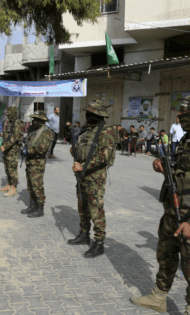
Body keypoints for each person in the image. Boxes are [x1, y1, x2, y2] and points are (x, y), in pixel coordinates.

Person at [131, 94, 190, 315]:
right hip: (173, 210)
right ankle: (158, 298)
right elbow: (185, 173)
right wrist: (164, 168)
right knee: (165, 254)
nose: (179, 115)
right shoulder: (188, 138)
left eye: (184, 112)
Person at [68, 100, 116, 258]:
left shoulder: (106, 132)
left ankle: (99, 242)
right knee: (82, 206)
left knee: (96, 209)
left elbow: (104, 156)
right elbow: (83, 149)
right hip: (82, 176)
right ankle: (84, 234)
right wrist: (75, 151)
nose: (87, 115)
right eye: (87, 113)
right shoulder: (86, 130)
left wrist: (83, 166)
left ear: (98, 115)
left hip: (95, 177)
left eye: (91, 113)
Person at [20, 110, 53, 218]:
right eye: (33, 119)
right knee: (30, 185)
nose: (33, 121)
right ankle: (32, 205)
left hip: (38, 163)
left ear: (41, 120)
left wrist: (28, 151)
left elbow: (42, 149)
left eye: (35, 119)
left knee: (37, 186)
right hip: (30, 162)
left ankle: (40, 208)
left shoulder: (46, 132)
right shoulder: (34, 131)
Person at [0, 106, 24, 196]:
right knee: (7, 167)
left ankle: (14, 188)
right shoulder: (7, 122)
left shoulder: (17, 122)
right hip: (6, 148)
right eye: (7, 113)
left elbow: (15, 137)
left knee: (12, 168)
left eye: (9, 113)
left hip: (13, 149)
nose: (7, 115)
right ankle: (8, 185)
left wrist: (5, 146)